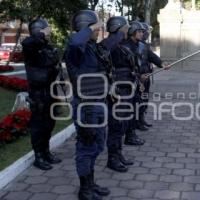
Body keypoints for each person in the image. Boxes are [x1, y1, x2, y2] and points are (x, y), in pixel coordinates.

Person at [65, 10, 125, 200]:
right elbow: (75, 41)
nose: (99, 31)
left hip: (99, 104)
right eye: (96, 28)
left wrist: (123, 30)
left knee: (98, 145)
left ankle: (91, 184)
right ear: (86, 26)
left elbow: (110, 43)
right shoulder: (76, 50)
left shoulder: (93, 48)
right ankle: (84, 190)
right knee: (86, 147)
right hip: (86, 107)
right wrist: (91, 26)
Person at [22, 18, 62, 171]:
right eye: (46, 30)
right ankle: (38, 156)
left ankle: (46, 151)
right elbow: (27, 43)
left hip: (50, 91)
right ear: (38, 31)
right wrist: (40, 34)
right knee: (38, 126)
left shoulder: (47, 48)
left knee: (49, 124)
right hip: (38, 94)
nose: (49, 33)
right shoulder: (31, 48)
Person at [106, 17, 137, 172]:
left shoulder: (122, 47)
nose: (128, 30)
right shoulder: (109, 46)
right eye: (125, 28)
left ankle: (118, 154)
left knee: (122, 124)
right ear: (117, 29)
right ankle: (112, 158)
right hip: (117, 93)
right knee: (116, 125)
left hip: (127, 90)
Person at [136, 22, 170, 129]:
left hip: (146, 76)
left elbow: (152, 56)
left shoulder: (144, 45)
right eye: (143, 32)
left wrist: (161, 63)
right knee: (139, 100)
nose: (145, 34)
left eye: (144, 32)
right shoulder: (133, 45)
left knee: (144, 99)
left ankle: (141, 119)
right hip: (138, 77)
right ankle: (136, 122)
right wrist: (139, 76)